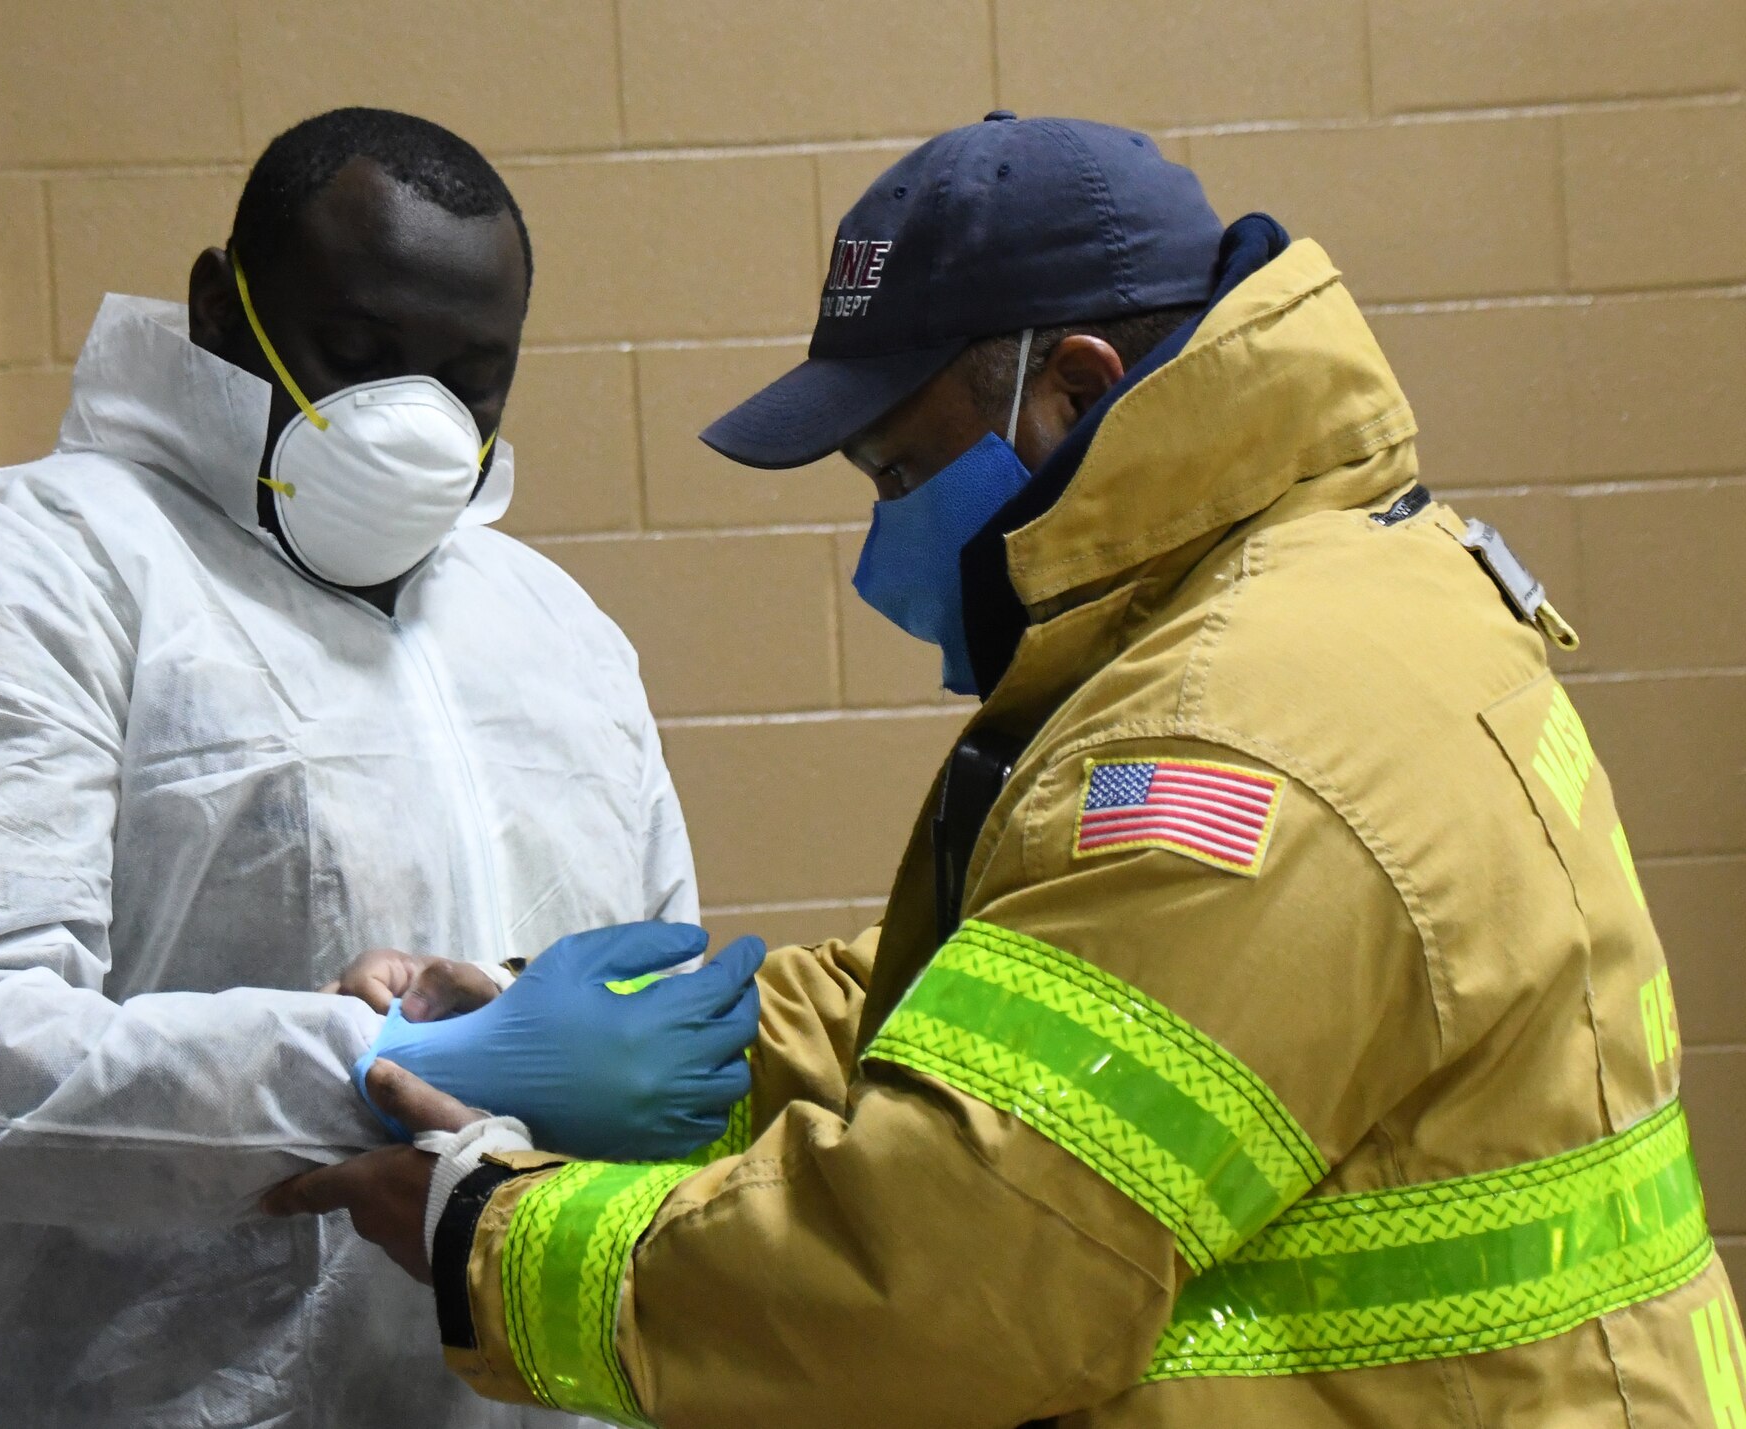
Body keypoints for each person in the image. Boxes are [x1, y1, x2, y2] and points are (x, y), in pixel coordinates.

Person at [268, 113, 1738, 1427]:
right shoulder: (1302, 593)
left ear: (1076, 383)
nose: (885, 539)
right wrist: (635, 1044)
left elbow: (944, 1276)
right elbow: (1023, 1014)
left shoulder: (1236, 730)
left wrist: (491, 1238)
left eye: (905, 474)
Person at [0, 106, 760, 1429]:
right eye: (358, 354)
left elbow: (650, 1034)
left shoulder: (553, 633)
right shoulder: (28, 570)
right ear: (215, 306)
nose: (412, 418)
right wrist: (369, 1064)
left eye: (469, 376)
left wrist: (548, 1036)